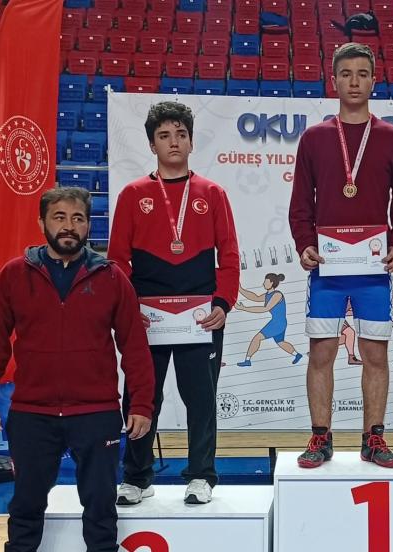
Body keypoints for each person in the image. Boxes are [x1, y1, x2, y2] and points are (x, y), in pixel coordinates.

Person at [0, 187, 155, 552]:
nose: (69, 226)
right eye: (59, 217)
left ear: (88, 225)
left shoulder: (112, 277)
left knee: (101, 509)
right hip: (32, 414)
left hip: (96, 413)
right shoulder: (14, 275)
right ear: (42, 222)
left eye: (78, 218)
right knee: (25, 508)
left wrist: (141, 405)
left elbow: (135, 347)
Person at [289, 42, 393, 469]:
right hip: (327, 268)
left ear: (374, 80)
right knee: (321, 352)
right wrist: (304, 243)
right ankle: (320, 436)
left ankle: (373, 438)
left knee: (376, 354)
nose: (354, 82)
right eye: (346, 74)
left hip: (373, 268)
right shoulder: (314, 138)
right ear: (334, 81)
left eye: (362, 74)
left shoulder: (392, 138)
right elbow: (300, 202)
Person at [108, 101, 241, 505]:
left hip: (200, 317)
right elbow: (118, 260)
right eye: (164, 136)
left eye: (181, 135)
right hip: (147, 318)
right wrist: (128, 311)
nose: (174, 142)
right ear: (152, 145)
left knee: (200, 399)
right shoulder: (133, 195)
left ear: (191, 142)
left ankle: (201, 475)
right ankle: (137, 477)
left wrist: (223, 303)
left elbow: (229, 255)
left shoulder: (212, 193)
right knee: (141, 397)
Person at [234, 273, 303, 366]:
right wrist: (240, 289)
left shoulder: (277, 295)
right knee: (280, 342)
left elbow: (265, 308)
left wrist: (244, 308)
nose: (263, 284)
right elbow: (255, 297)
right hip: (279, 322)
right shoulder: (268, 295)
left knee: (257, 338)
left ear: (271, 283)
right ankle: (297, 355)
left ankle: (247, 360)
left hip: (277, 323)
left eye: (266, 282)